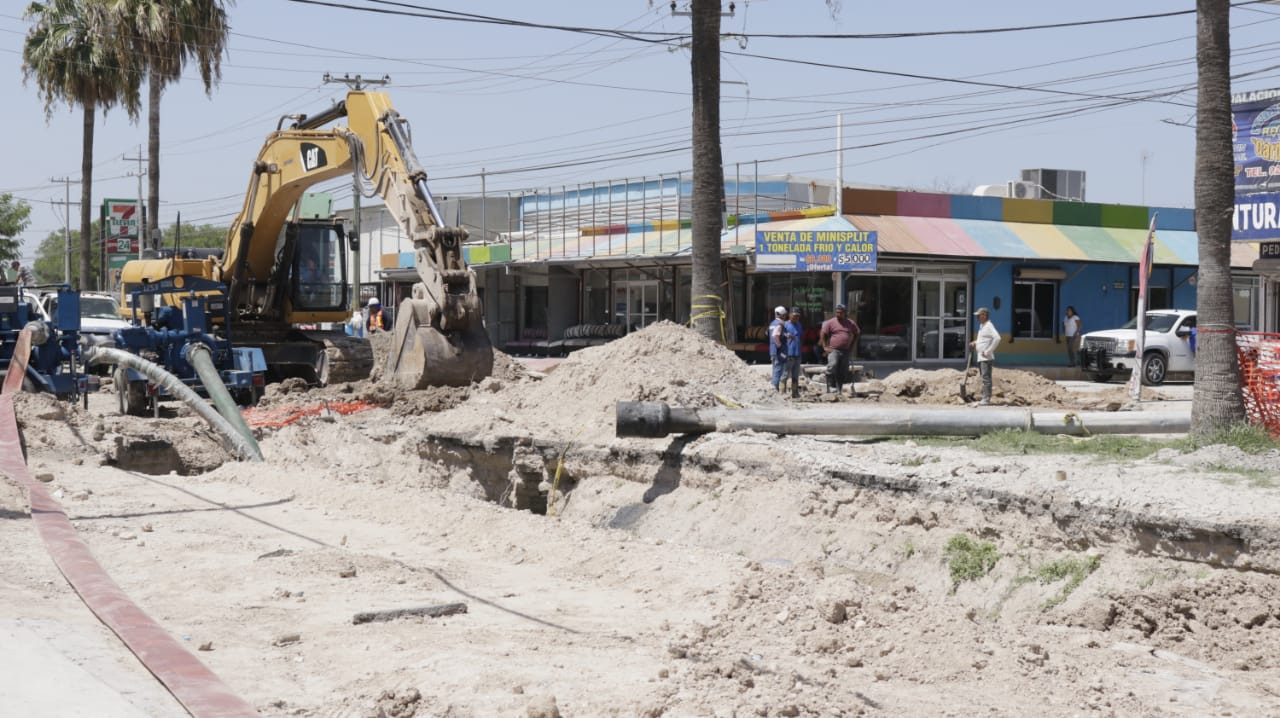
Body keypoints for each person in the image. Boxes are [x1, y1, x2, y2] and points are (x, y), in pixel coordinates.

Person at [819, 302, 860, 397]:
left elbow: (857, 333)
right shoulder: (831, 322)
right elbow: (823, 333)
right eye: (837, 312)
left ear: (845, 312)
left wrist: (851, 346)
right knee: (832, 366)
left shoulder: (850, 323)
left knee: (842, 370)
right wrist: (825, 346)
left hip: (845, 351)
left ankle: (839, 390)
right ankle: (829, 387)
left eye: (840, 312)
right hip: (834, 350)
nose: (838, 314)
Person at [970, 307, 1001, 406]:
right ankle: (984, 397)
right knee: (984, 378)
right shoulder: (982, 326)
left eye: (979, 316)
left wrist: (988, 351)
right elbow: (983, 339)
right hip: (981, 357)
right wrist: (975, 343)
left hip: (986, 358)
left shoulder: (988, 326)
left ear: (984, 315)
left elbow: (997, 338)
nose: (977, 318)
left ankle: (986, 399)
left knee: (986, 378)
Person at [783, 306, 804, 399]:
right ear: (789, 315)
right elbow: (780, 335)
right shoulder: (785, 325)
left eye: (798, 316)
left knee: (795, 375)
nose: (796, 317)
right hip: (788, 354)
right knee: (785, 374)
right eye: (794, 315)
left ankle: (795, 393)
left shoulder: (799, 325)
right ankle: (782, 393)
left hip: (797, 354)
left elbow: (801, 337)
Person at [768, 305, 788, 392]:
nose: (785, 316)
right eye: (784, 315)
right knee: (778, 370)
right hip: (778, 351)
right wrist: (779, 345)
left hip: (773, 351)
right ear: (782, 315)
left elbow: (768, 334)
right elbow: (775, 336)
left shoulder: (772, 323)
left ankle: (774, 389)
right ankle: (774, 390)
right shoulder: (780, 324)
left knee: (775, 370)